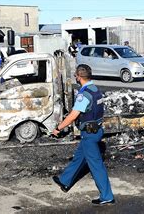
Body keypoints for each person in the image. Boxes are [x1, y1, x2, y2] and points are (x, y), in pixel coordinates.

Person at [52, 65, 115, 206]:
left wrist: (58, 128)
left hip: (89, 134)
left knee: (96, 166)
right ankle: (65, 181)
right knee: (79, 158)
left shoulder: (84, 94)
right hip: (96, 131)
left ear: (78, 77)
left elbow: (74, 115)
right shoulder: (96, 90)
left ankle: (107, 196)